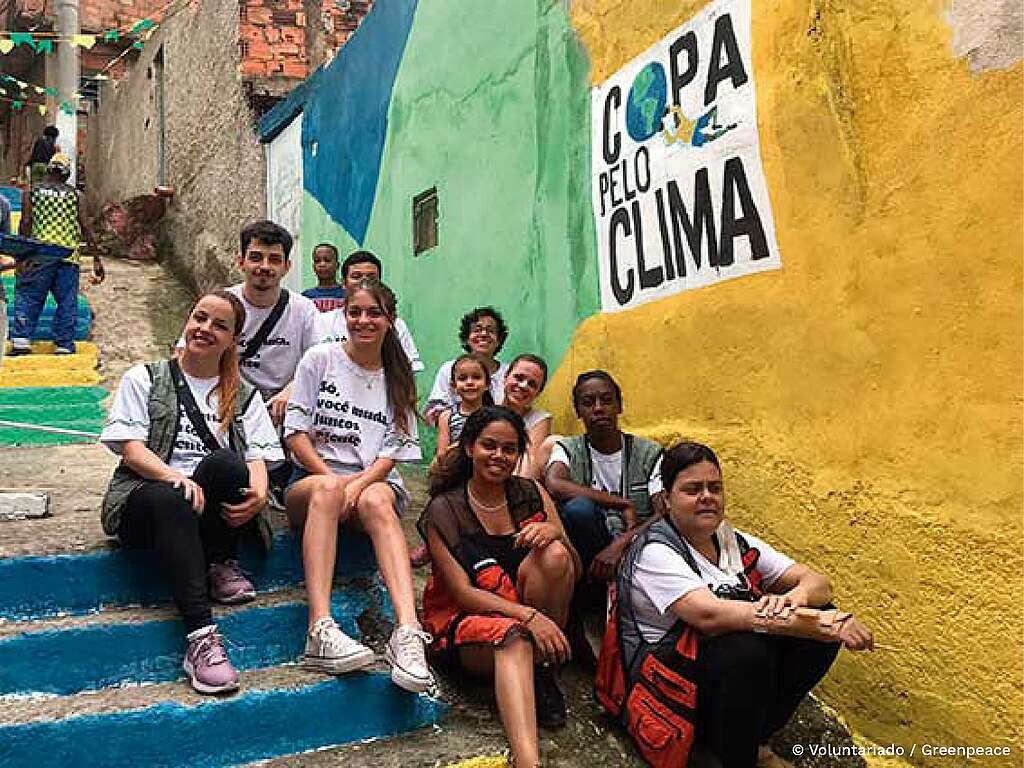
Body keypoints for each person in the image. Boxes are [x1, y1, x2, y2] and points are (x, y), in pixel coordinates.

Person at [598, 441, 874, 768]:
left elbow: (819, 584)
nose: (707, 497)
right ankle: (731, 755)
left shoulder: (730, 538)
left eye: (715, 488)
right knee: (747, 650)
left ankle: (753, 738)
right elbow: (710, 615)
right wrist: (817, 623)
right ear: (666, 500)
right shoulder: (653, 551)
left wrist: (792, 600)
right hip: (664, 682)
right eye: (692, 489)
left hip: (712, 670)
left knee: (815, 629)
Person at [100, 291, 284, 694]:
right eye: (200, 318)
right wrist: (172, 477)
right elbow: (130, 448)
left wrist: (258, 492)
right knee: (173, 495)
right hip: (149, 502)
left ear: (234, 339)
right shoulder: (145, 378)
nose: (205, 329)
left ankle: (220, 560)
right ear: (187, 320)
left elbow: (259, 456)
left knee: (227, 464)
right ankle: (201, 638)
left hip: (208, 513)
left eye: (220, 325)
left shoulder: (244, 394)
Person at [283, 279, 434, 694]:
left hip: (373, 483)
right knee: (329, 492)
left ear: (390, 320)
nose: (363, 321)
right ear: (344, 315)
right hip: (313, 482)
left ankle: (407, 634)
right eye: (355, 312)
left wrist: (360, 483)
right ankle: (320, 629)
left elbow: (392, 453)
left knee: (379, 497)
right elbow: (295, 434)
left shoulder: (398, 378)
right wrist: (333, 481)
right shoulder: (320, 359)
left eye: (374, 313)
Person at [419, 407, 582, 767]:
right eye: (489, 446)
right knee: (513, 637)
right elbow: (462, 594)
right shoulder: (444, 510)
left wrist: (554, 532)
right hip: (468, 624)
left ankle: (540, 670)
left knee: (554, 556)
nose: (499, 456)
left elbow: (575, 567)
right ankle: (528, 761)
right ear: (469, 448)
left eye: (509, 449)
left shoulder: (529, 492)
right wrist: (529, 617)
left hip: (528, 614)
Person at [226, 220, 320, 498]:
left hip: (284, 405)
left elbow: (318, 364)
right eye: (255, 257)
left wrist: (292, 391)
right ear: (241, 261)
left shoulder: (304, 310)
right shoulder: (222, 303)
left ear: (286, 267)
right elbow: (189, 355)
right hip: (234, 399)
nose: (264, 266)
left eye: (274, 259)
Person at [544, 370, 664, 581]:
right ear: (578, 411)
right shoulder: (568, 449)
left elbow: (663, 512)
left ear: (619, 406)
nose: (598, 409)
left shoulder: (649, 453)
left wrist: (622, 542)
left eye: (606, 400)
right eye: (588, 402)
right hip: (587, 552)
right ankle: (592, 597)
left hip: (637, 544)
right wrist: (622, 503)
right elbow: (555, 483)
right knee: (578, 509)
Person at [10, 153, 104, 356]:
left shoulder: (31, 192)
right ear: (67, 173)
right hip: (67, 256)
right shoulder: (76, 195)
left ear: (48, 169)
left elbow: (25, 223)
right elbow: (86, 227)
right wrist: (96, 258)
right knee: (66, 301)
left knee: (29, 296)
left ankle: (21, 340)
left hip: (39, 254)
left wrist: (21, 255)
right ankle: (63, 344)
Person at [314, 249, 423, 372]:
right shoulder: (322, 323)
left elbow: (408, 369)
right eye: (356, 277)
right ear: (344, 283)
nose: (364, 282)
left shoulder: (395, 325)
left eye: (371, 277)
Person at [424, 306, 509, 425]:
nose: (483, 334)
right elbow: (432, 415)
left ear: (499, 340)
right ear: (467, 338)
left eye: (490, 331)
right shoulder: (449, 369)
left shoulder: (509, 373)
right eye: (477, 330)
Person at [500, 354, 552, 479]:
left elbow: (528, 464)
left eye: (532, 384)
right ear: (505, 377)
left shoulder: (539, 419)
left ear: (538, 393)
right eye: (518, 378)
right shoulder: (486, 406)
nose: (523, 386)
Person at [434, 353, 495, 456]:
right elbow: (442, 455)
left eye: (476, 377)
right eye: (462, 378)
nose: (469, 382)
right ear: (454, 386)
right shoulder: (447, 416)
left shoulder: (495, 417)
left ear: (487, 384)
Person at [301, 243, 346, 313]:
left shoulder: (347, 294)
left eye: (327, 260)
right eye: (317, 261)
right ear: (313, 267)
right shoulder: (306, 297)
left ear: (337, 265)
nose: (322, 264)